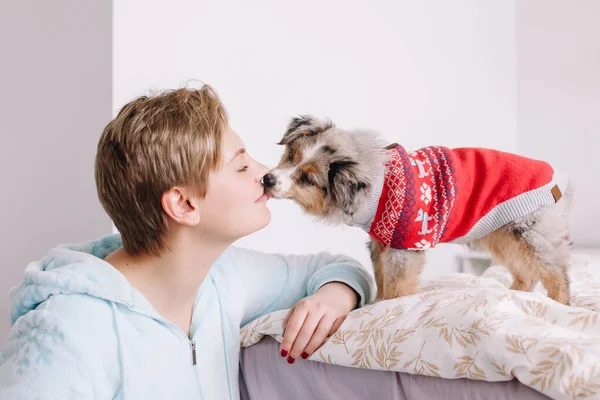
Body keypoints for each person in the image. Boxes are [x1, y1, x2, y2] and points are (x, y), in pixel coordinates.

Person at [0, 85, 375, 399]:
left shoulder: (224, 279)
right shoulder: (68, 331)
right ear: (184, 204)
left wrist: (334, 296)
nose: (265, 173)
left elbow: (336, 268)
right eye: (242, 166)